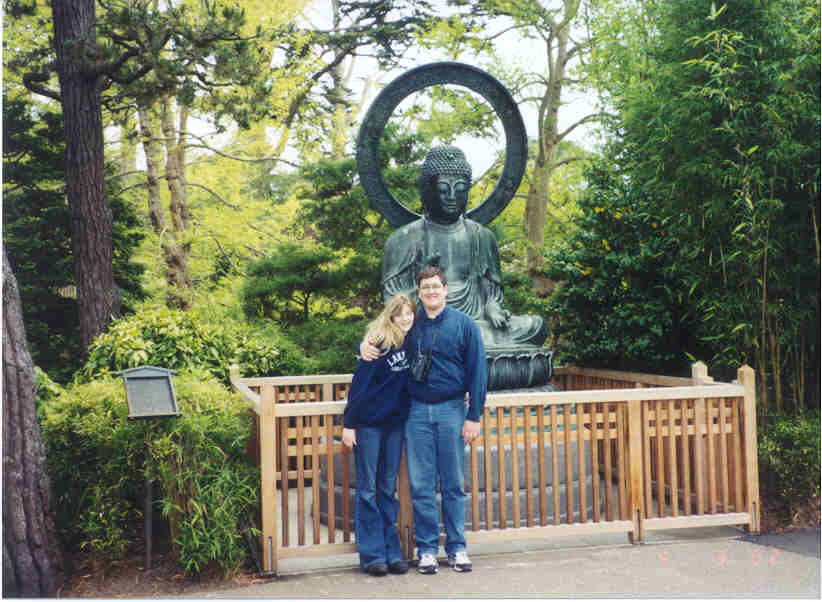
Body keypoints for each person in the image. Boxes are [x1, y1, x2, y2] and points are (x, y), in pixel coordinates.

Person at [361, 265, 487, 574]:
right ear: (420, 293)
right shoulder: (411, 326)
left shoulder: (464, 325)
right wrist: (363, 346)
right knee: (421, 484)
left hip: (452, 409)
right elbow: (382, 338)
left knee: (454, 483)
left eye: (436, 286)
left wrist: (474, 416)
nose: (431, 291)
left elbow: (478, 372)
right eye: (425, 287)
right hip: (416, 412)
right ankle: (427, 548)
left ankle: (457, 548)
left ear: (446, 290)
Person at [380, 145, 546, 350]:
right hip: (429, 324)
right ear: (427, 191)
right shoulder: (404, 239)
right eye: (443, 190)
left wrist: (492, 306)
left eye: (460, 190)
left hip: (478, 322)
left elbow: (490, 290)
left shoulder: (481, 236)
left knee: (535, 326)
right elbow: (394, 301)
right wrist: (425, 283)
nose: (451, 196)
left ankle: (467, 342)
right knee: (400, 336)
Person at [342, 294, 416, 577]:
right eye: (400, 314)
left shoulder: (413, 341)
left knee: (387, 488)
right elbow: (360, 384)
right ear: (391, 316)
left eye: (409, 313)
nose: (406, 318)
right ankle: (372, 555)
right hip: (369, 425)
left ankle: (392, 552)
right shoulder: (379, 343)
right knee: (368, 489)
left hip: (395, 425)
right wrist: (350, 424)